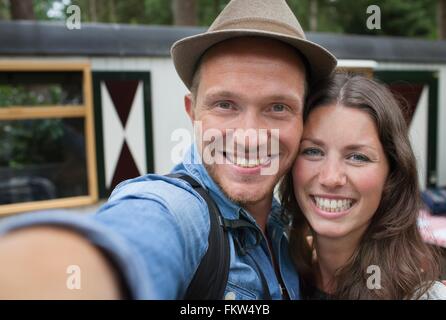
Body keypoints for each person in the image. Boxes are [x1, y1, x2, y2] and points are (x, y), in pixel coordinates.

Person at [0, 0, 337, 299]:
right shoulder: (176, 211)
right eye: (225, 104)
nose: (249, 138)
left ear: (302, 120)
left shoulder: (284, 227)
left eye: (278, 108)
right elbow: (128, 242)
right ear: (192, 111)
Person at [280, 73, 446, 299]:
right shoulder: (273, 272)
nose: (331, 178)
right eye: (312, 151)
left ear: (392, 175)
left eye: (357, 157)